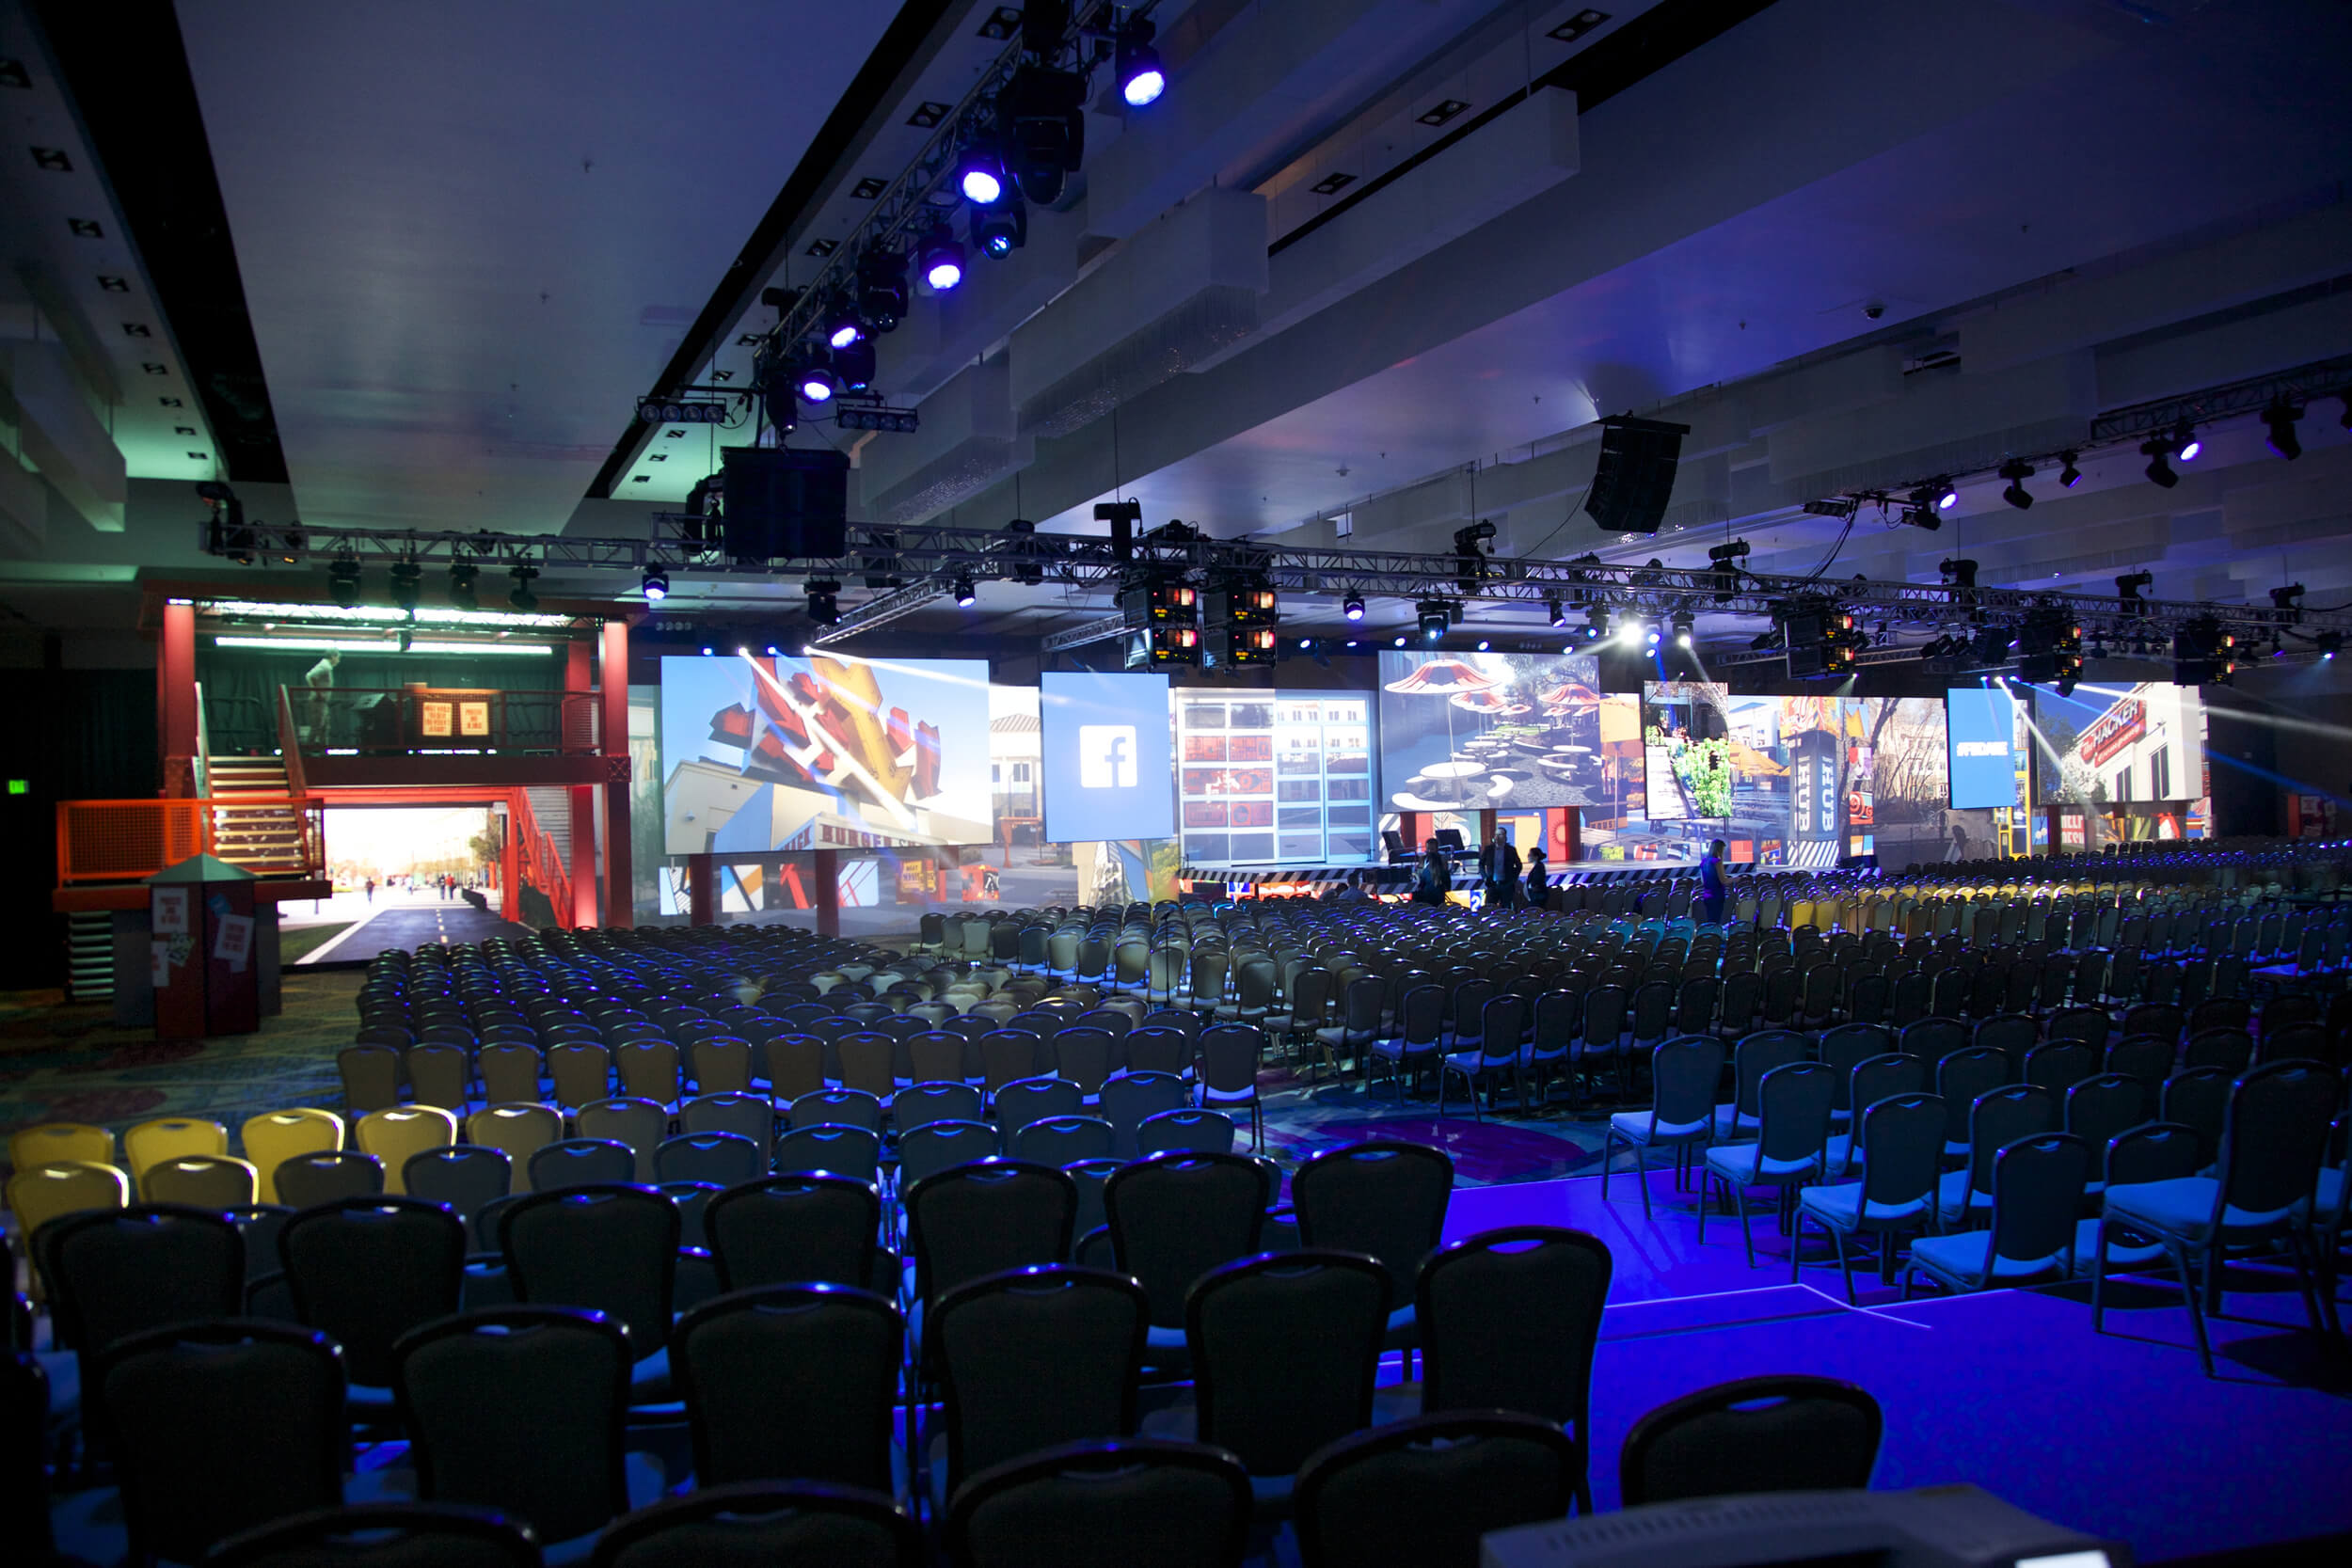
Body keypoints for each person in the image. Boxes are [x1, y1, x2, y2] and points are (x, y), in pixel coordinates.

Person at [1479, 828, 1521, 910]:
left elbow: (1519, 866)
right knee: (1489, 908)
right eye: (1496, 835)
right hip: (1492, 884)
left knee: (1506, 909)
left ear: (1505, 837)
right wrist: (1484, 877)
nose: (1497, 837)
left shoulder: (1511, 850)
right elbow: (1481, 864)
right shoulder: (1489, 849)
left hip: (1506, 885)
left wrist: (1513, 879)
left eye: (1500, 835)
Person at [303, 649, 341, 741]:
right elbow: (310, 676)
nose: (338, 660)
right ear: (333, 657)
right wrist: (318, 693)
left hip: (322, 702)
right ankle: (307, 751)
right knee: (317, 727)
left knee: (324, 728)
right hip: (318, 701)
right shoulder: (325, 666)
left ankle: (323, 751)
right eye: (338, 657)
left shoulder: (326, 666)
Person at [1411, 838, 1451, 906]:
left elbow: (1445, 877)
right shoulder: (1423, 859)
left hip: (1435, 895)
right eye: (1428, 849)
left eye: (1432, 849)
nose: (1429, 851)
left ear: (1437, 849)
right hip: (1429, 894)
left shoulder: (1441, 860)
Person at [1699, 837, 1728, 926]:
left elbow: (1702, 881)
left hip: (1707, 894)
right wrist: (1736, 879)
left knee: (1710, 920)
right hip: (1717, 895)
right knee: (1716, 921)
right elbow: (1723, 880)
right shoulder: (1717, 862)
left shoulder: (1704, 861)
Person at [1522, 846, 1549, 911]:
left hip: (1537, 897)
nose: (1528, 856)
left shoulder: (1539, 867)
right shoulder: (1537, 867)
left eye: (1530, 855)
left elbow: (1537, 881)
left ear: (1536, 857)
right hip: (1536, 896)